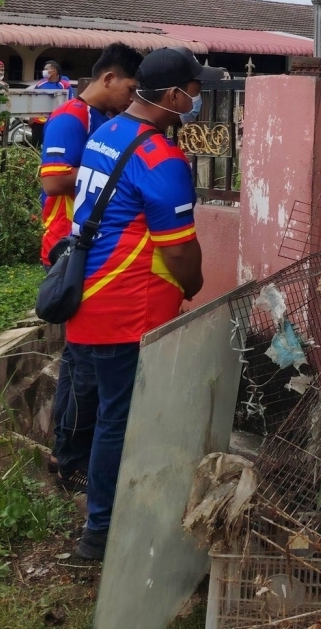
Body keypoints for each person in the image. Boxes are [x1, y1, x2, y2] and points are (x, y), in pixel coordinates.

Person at [67, 46, 217, 560]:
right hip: (127, 306)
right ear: (173, 96)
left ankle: (107, 516)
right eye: (194, 91)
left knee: (109, 412)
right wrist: (193, 284)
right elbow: (178, 249)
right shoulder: (161, 159)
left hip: (90, 295)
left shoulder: (106, 133)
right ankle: (104, 532)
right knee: (122, 419)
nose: (197, 99)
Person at [39, 43, 144, 493]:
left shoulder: (105, 119)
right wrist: (115, 168)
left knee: (77, 362)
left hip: (91, 250)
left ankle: (65, 453)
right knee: (82, 369)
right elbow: (53, 180)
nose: (132, 98)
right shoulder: (71, 118)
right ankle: (70, 461)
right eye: (130, 88)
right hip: (69, 249)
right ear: (108, 78)